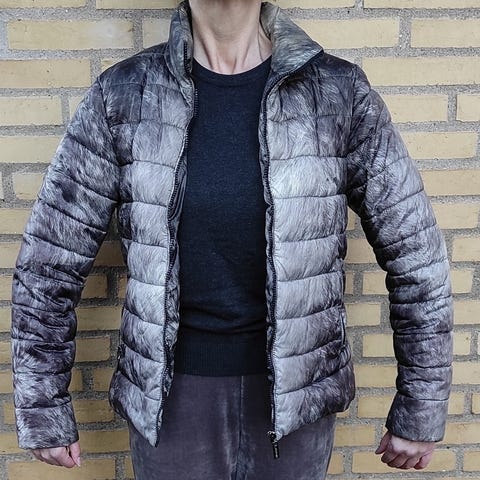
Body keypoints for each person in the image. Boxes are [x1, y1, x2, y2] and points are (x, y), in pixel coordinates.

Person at [10, 0, 453, 478]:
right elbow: (48, 264)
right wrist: (43, 405)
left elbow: (417, 257)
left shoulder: (336, 93)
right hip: (171, 406)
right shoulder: (125, 96)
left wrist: (421, 406)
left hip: (297, 408)